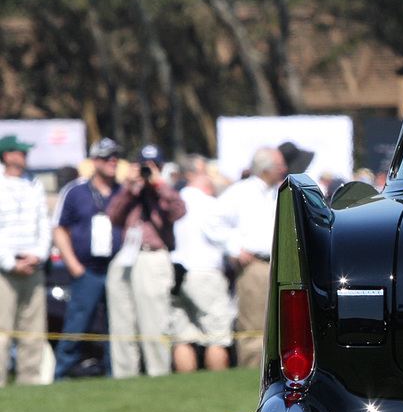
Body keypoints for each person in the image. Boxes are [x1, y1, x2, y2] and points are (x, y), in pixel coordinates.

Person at [105, 144, 186, 377]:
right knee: (122, 323)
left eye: (153, 166)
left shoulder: (165, 192)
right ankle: (124, 375)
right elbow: (113, 216)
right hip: (127, 256)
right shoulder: (131, 191)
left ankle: (158, 373)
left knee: (153, 321)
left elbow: (179, 212)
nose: (148, 171)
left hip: (153, 256)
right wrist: (129, 187)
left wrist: (159, 184)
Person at [51, 137, 125, 379]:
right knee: (77, 324)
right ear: (95, 161)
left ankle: (115, 374)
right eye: (106, 157)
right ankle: (62, 374)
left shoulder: (123, 191)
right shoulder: (76, 191)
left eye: (115, 157)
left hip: (117, 269)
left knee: (117, 325)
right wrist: (73, 265)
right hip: (87, 270)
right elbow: (59, 228)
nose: (112, 161)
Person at [219, 146, 286, 367]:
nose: (284, 169)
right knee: (254, 326)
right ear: (266, 169)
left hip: (279, 264)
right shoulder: (240, 192)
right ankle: (252, 370)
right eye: (279, 165)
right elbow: (211, 222)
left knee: (279, 324)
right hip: (255, 266)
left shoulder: (276, 192)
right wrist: (234, 249)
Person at [169, 173, 236, 372]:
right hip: (206, 273)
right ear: (208, 188)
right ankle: (217, 386)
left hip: (176, 272)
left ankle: (187, 387)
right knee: (217, 336)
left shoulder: (174, 201)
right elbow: (222, 237)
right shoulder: (210, 204)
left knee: (181, 336)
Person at [0, 134, 52, 386]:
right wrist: (10, 262)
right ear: (8, 156)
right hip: (6, 270)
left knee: (33, 332)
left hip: (33, 266)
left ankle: (29, 383)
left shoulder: (35, 184)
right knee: (2, 331)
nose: (26, 157)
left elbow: (44, 223)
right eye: (21, 152)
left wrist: (38, 255)